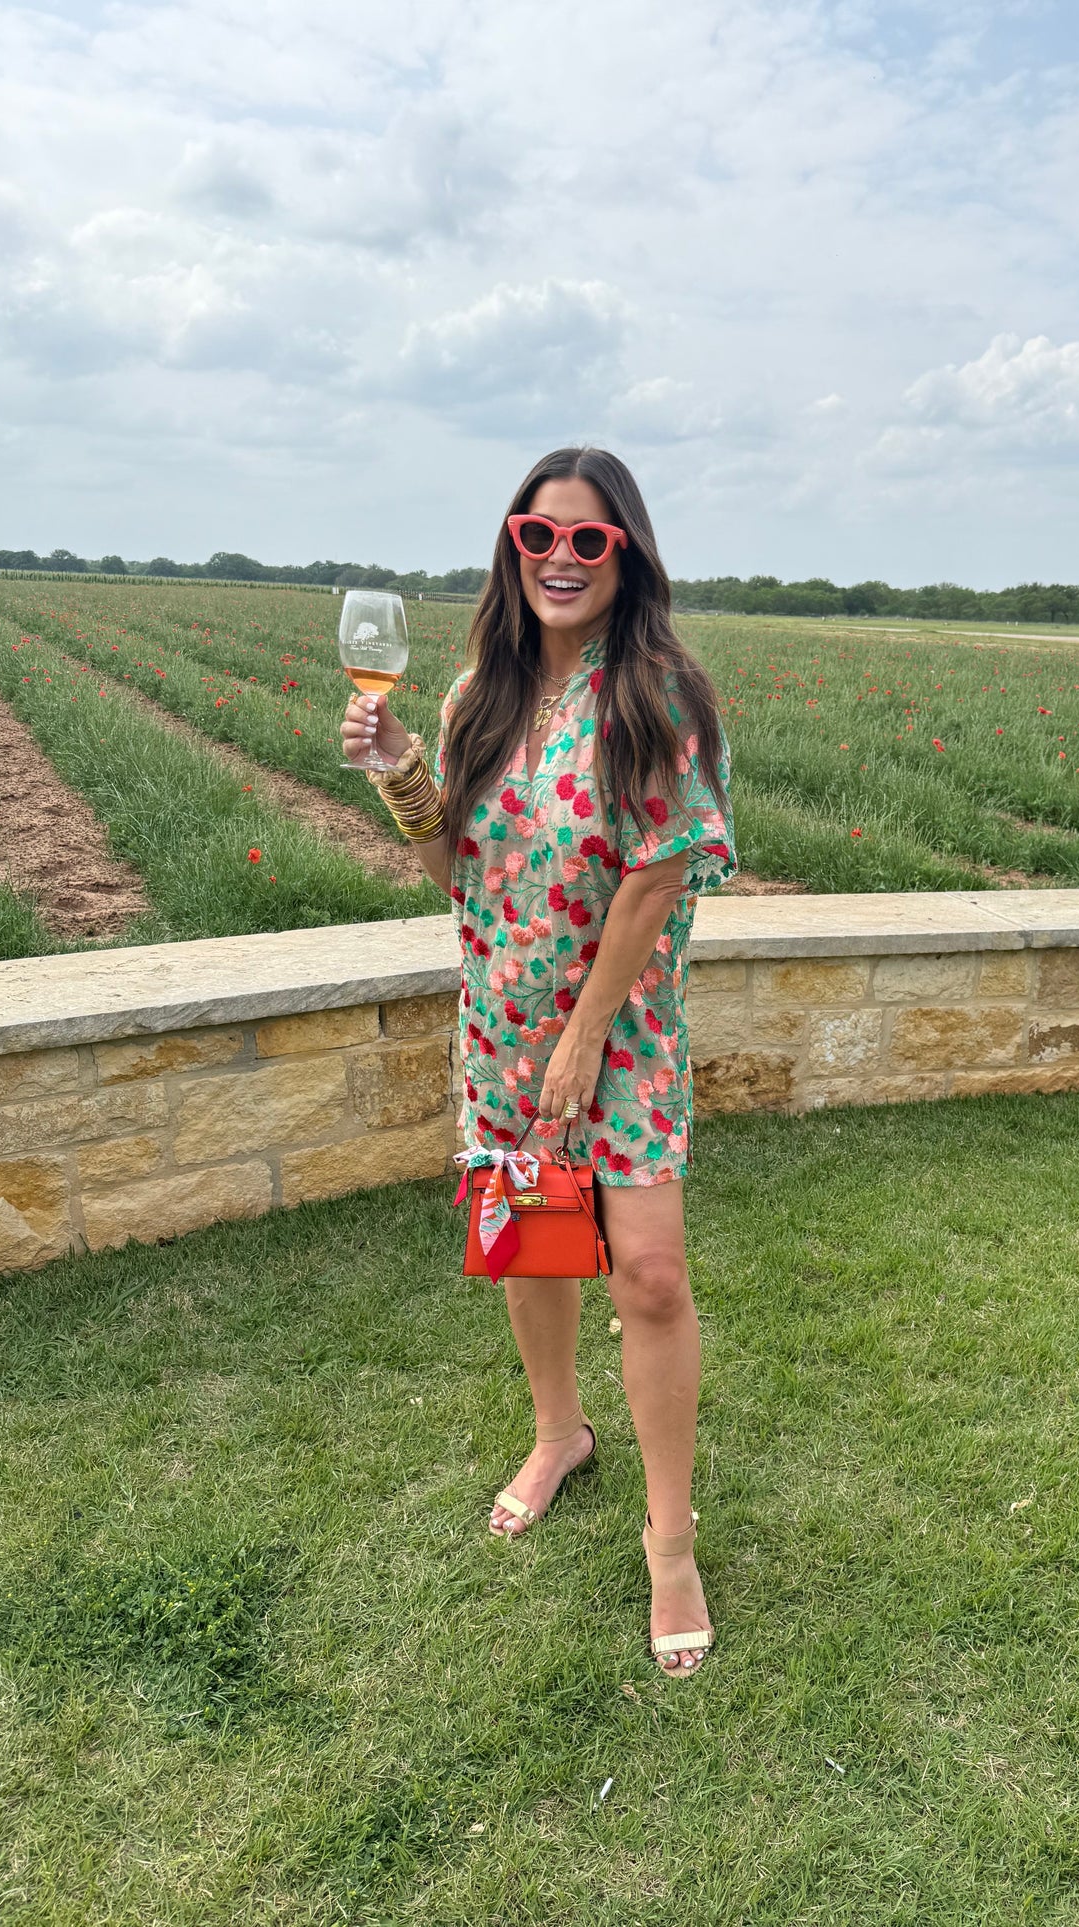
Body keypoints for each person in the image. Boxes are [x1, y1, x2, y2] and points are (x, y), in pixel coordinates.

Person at [340, 447, 736, 1676]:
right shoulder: (479, 696)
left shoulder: (656, 690)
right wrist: (402, 768)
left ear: (627, 557)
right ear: (510, 547)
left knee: (652, 1279)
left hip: (618, 1037)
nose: (560, 559)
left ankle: (668, 1540)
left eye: (589, 541)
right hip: (500, 1025)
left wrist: (583, 1038)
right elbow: (450, 861)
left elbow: (660, 868)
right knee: (533, 1243)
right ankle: (557, 1432)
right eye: (538, 536)